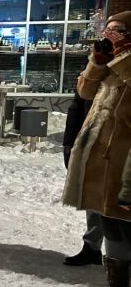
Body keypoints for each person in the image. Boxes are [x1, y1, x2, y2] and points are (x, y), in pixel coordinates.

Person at [63, 11, 131, 287]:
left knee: (127, 226)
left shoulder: (127, 66)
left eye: (116, 30)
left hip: (124, 162)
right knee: (110, 225)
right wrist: (98, 62)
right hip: (103, 160)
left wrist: (119, 59)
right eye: (107, 28)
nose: (108, 34)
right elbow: (85, 92)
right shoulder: (110, 64)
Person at [62, 92, 103, 266]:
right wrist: (69, 143)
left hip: (118, 145)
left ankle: (119, 256)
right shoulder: (92, 73)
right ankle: (92, 247)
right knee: (93, 195)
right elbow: (76, 109)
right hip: (92, 143)